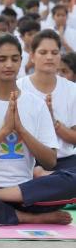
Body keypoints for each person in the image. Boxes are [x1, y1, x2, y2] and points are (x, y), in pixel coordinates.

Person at [0, 34, 76, 226]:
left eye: (14, 59)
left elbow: (50, 161)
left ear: (21, 61)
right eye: (2, 59)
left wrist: (22, 131)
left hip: (23, 191)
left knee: (71, 180)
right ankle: (33, 218)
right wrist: (4, 131)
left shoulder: (36, 104)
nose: (9, 64)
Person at [18, 31, 76, 174]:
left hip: (65, 160)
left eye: (54, 52)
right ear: (32, 56)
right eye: (43, 52)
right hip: (27, 160)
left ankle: (46, 177)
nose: (49, 57)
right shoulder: (18, 88)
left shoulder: (72, 89)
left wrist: (53, 121)